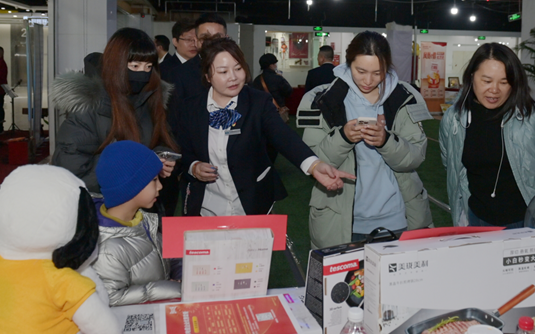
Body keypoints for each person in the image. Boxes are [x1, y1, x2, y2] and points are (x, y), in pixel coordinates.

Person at [174, 37, 355, 217]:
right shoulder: (191, 108)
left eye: (238, 68)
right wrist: (194, 166)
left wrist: (314, 165)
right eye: (223, 71)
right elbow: (183, 150)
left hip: (252, 203)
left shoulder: (258, 102)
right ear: (207, 76)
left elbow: (283, 136)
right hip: (207, 207)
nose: (233, 77)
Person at [298, 31, 434, 249]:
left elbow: (415, 157)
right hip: (340, 221)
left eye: (377, 73)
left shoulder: (404, 97)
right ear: (348, 63)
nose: (368, 81)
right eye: (360, 71)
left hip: (398, 219)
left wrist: (386, 141)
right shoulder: (322, 99)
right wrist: (343, 137)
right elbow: (312, 161)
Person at [439, 43, 535, 228]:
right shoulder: (454, 118)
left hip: (529, 221)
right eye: (487, 81)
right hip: (476, 219)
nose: (494, 89)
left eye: (504, 82)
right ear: (471, 76)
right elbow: (450, 164)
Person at [52, 28, 177, 193]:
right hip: (102, 204)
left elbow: (163, 141)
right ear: (116, 65)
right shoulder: (87, 110)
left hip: (141, 200)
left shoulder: (150, 100)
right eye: (135, 66)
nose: (143, 74)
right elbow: (73, 175)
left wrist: (161, 158)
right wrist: (134, 164)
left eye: (148, 67)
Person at [92, 140, 181, 306]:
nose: (160, 186)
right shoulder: (106, 249)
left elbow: (168, 255)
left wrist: (183, 274)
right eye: (154, 180)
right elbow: (112, 298)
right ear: (131, 187)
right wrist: (171, 288)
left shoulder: (142, 221)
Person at [170, 13, 228, 102]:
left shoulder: (239, 69)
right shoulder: (179, 75)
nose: (211, 42)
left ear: (226, 39)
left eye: (217, 37)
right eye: (205, 37)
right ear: (196, 41)